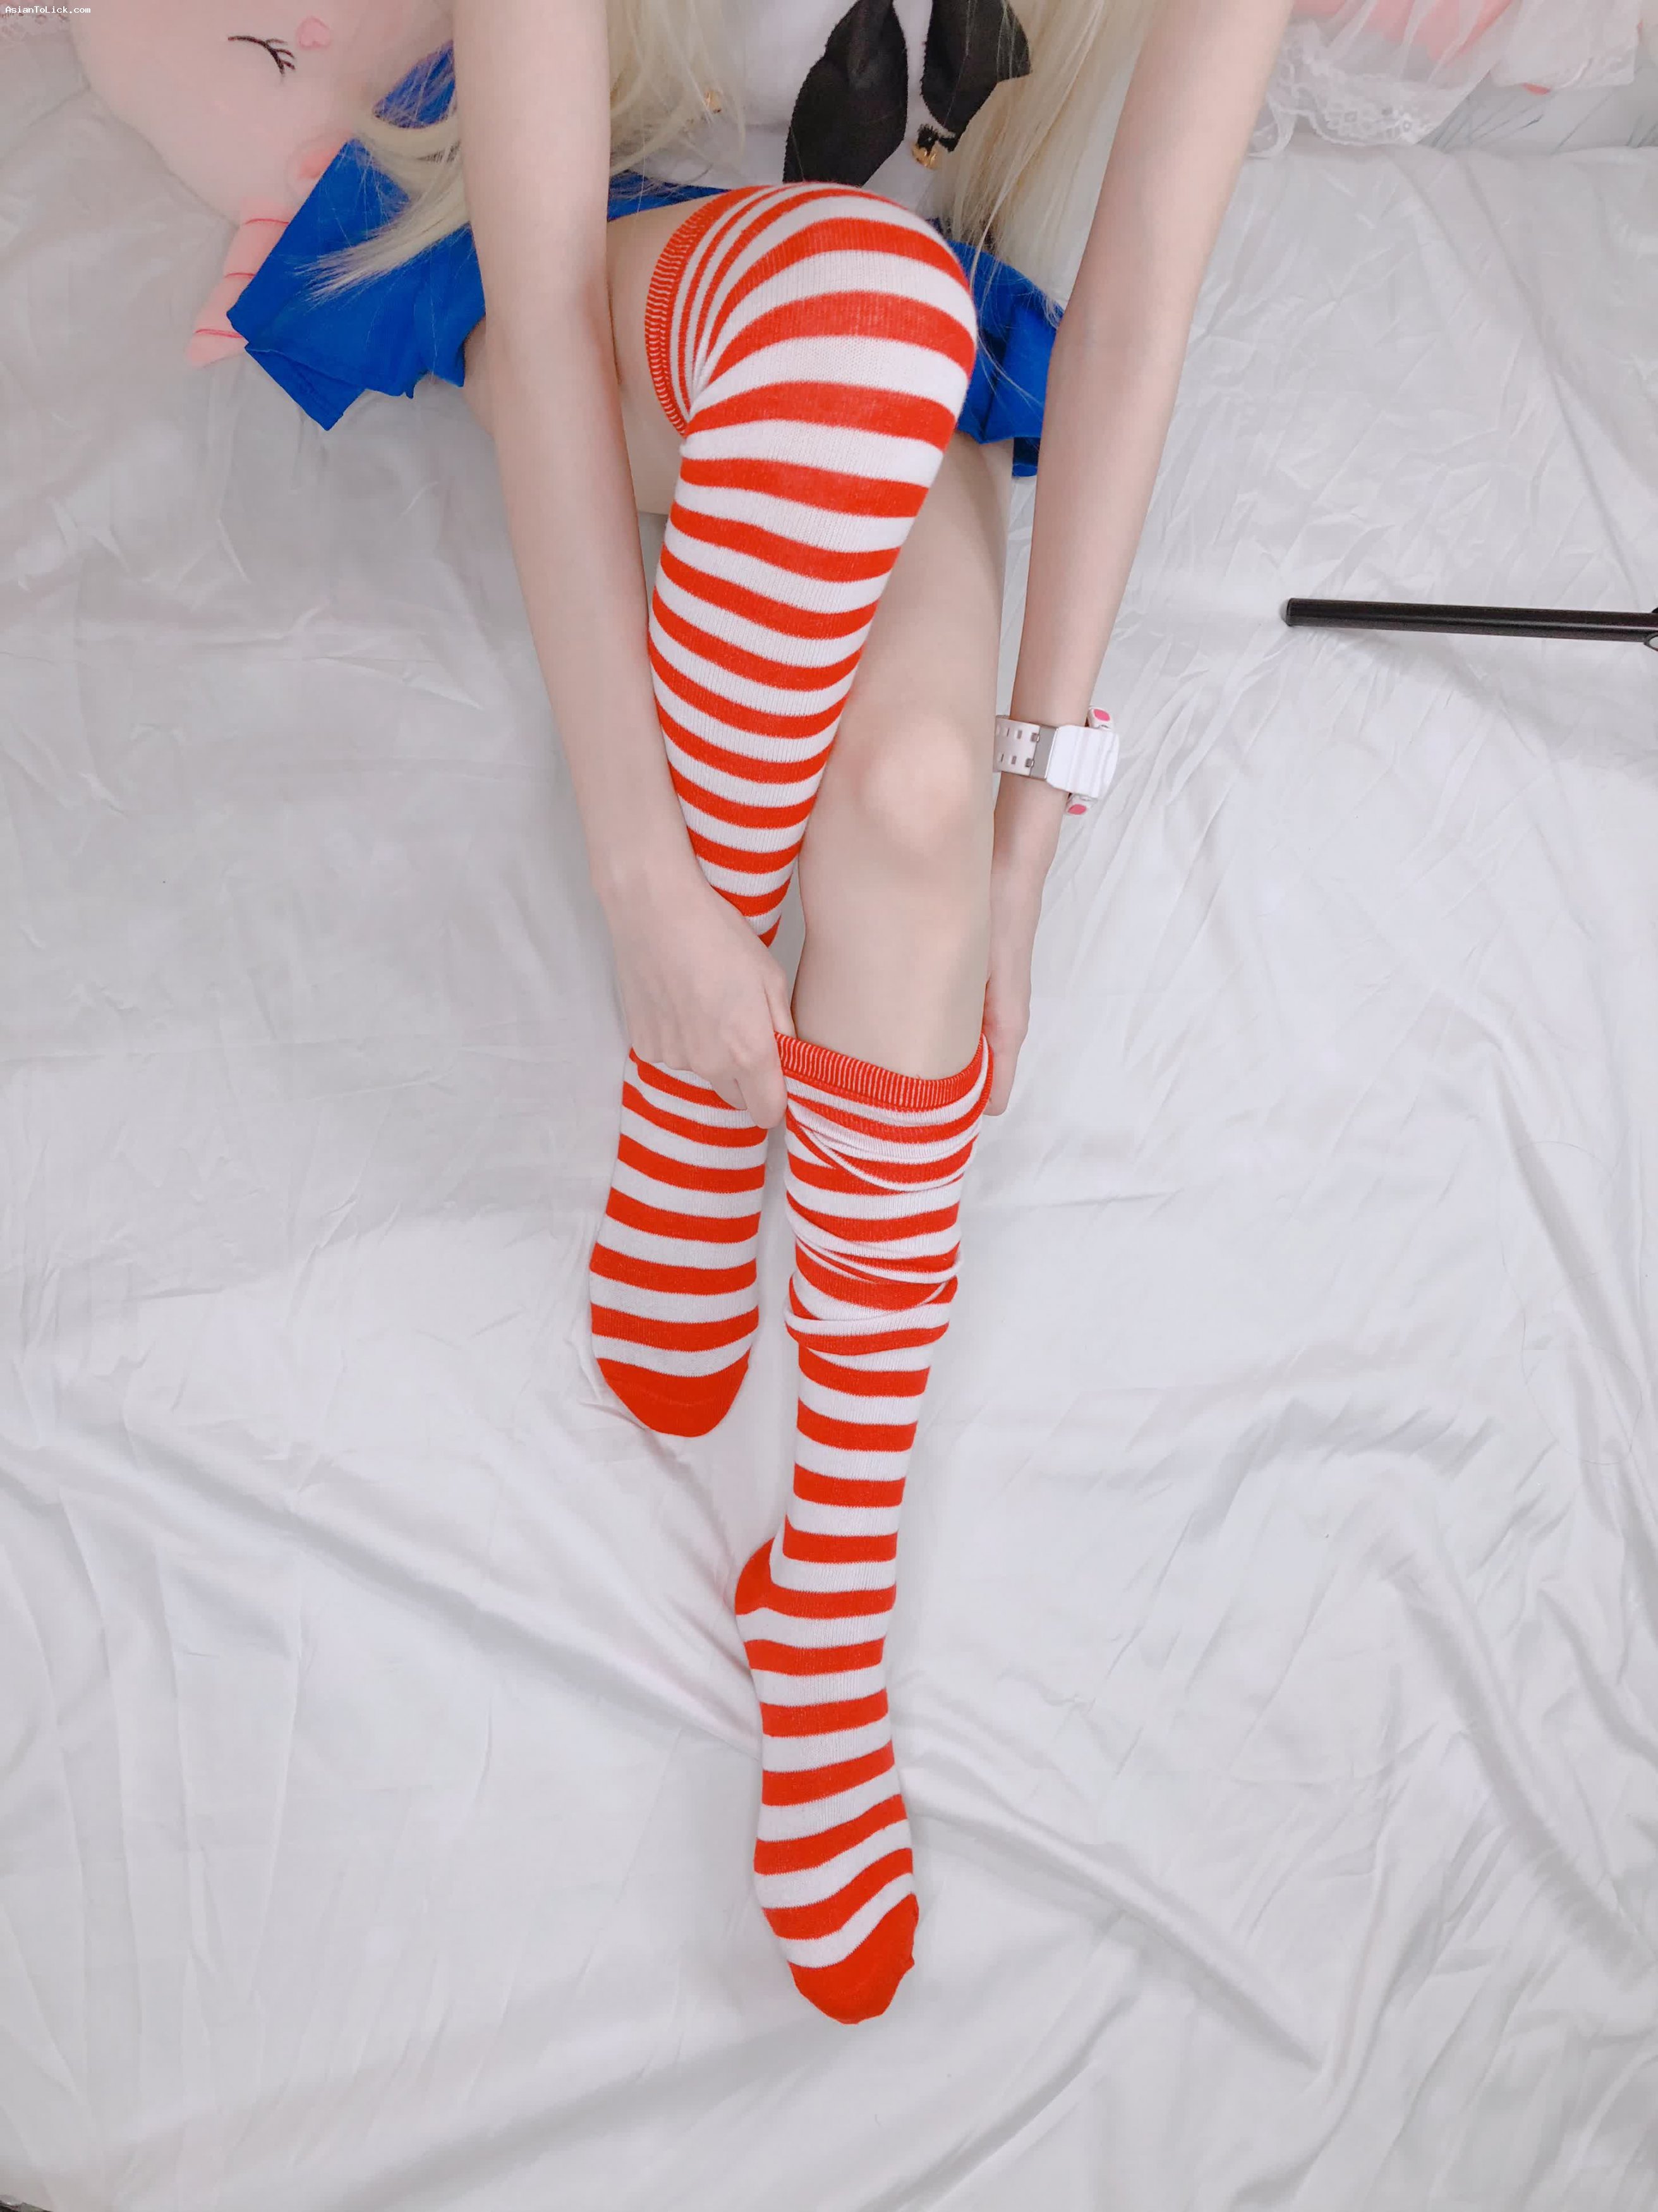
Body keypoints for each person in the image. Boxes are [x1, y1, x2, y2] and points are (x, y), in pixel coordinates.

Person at [225, 0, 1301, 2023]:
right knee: (861, 316)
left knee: (913, 793)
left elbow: (1136, 306)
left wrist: (1027, 831)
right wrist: (650, 886)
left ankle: (829, 1606)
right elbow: (547, 298)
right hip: (635, 292)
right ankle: (695, 1102)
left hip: (901, 359)